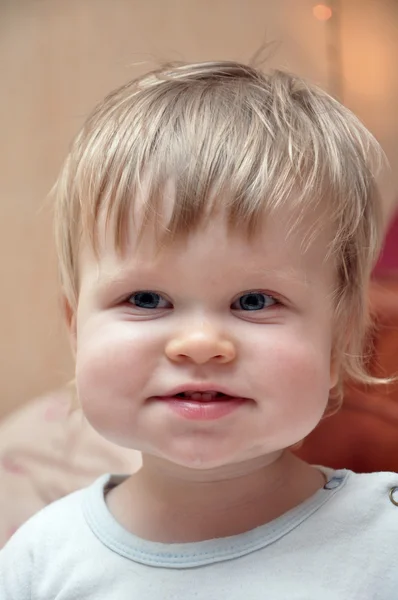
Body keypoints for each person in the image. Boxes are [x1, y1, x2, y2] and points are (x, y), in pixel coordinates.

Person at [1, 59, 397, 598]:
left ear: (339, 341)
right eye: (145, 299)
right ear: (77, 332)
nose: (201, 344)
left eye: (254, 301)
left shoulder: (385, 539)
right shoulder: (37, 561)